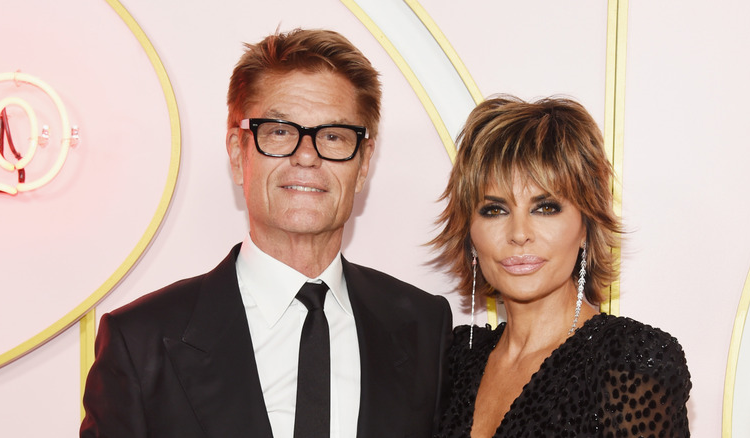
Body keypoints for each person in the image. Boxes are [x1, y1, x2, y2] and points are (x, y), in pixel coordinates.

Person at [81, 28, 452, 438]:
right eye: (279, 132)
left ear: (362, 165)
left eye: (333, 136)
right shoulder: (140, 341)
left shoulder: (423, 328)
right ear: (238, 154)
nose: (307, 156)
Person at [431, 96, 691, 437]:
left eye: (546, 207)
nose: (520, 233)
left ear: (585, 226)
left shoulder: (629, 360)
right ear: (469, 234)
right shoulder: (452, 360)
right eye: (495, 210)